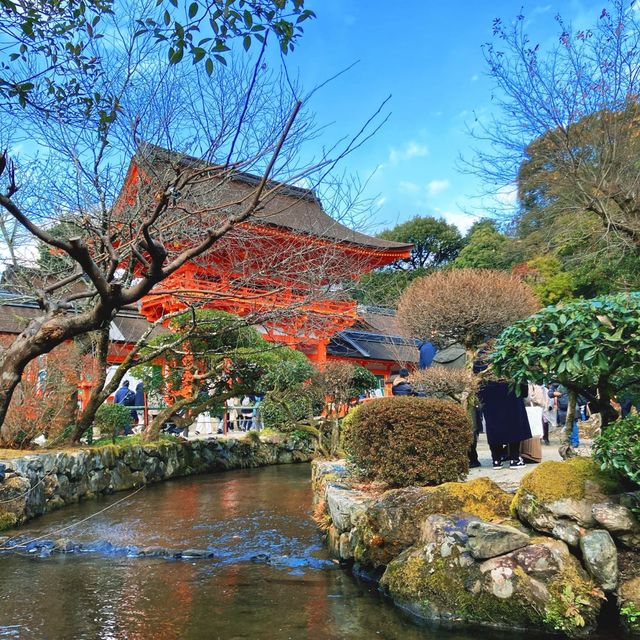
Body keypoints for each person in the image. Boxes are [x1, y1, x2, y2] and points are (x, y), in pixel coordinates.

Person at [474, 348, 531, 469]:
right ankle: (514, 459)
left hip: (489, 396)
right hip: (511, 393)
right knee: (514, 426)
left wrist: (480, 396)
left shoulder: (480, 356)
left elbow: (476, 379)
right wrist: (524, 392)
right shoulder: (511, 352)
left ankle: (496, 460)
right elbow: (521, 375)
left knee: (493, 427)